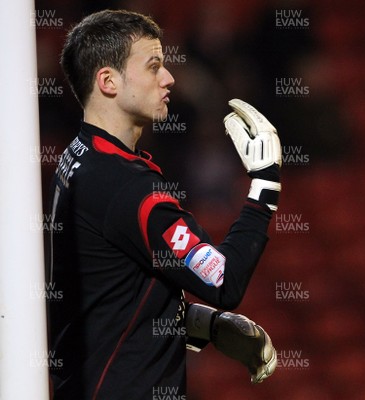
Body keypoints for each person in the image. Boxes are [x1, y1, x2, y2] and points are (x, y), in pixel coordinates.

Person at [47, 9, 282, 399]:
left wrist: (200, 324)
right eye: (154, 66)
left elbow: (109, 291)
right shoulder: (125, 187)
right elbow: (223, 280)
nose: (169, 78)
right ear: (108, 81)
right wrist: (265, 183)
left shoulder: (79, 157)